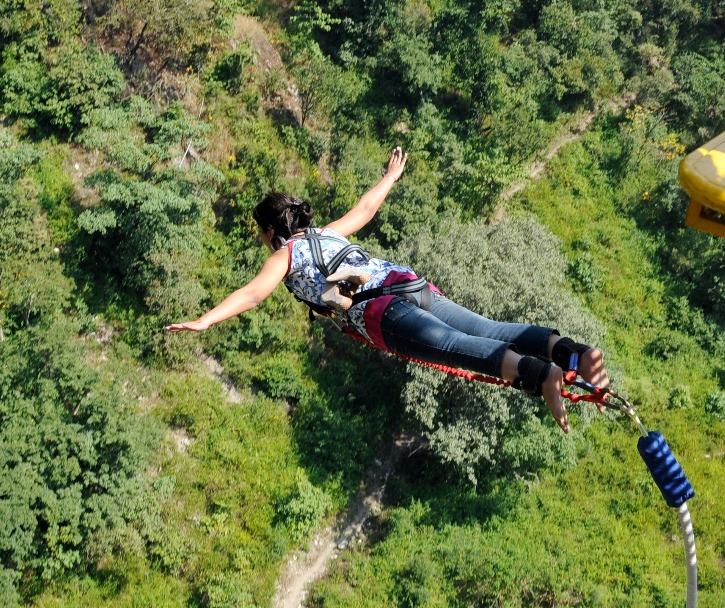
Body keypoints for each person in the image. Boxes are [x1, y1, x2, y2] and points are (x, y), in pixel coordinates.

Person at [166, 148, 608, 430]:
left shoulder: (284, 257)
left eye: (260, 233)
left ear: (269, 230)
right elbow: (366, 207)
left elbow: (252, 294)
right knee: (491, 329)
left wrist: (206, 319)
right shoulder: (328, 234)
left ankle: (543, 375)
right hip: (405, 282)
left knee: (457, 346)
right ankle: (570, 353)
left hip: (379, 312)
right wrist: (390, 177)